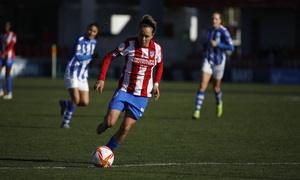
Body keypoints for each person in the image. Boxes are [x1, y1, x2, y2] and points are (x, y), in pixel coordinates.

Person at [93, 14, 163, 151]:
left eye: (146, 36)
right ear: (138, 32)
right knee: (110, 122)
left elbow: (160, 65)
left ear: (152, 35)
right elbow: (108, 57)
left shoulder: (157, 49)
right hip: (124, 90)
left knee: (124, 128)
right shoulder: (128, 44)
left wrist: (156, 84)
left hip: (142, 96)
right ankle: (105, 124)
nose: (143, 39)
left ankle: (106, 152)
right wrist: (101, 78)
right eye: (141, 35)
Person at [193, 12, 234, 119]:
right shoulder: (209, 29)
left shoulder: (224, 31)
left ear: (220, 20)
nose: (214, 21)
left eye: (216, 19)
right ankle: (197, 111)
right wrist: (204, 46)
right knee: (202, 85)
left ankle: (219, 103)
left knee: (216, 88)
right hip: (208, 60)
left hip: (219, 62)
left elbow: (231, 47)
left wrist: (218, 44)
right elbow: (208, 43)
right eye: (212, 19)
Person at [59, 22, 100, 128]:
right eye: (90, 30)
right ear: (86, 29)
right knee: (76, 100)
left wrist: (90, 63)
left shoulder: (94, 42)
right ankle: (65, 123)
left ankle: (65, 104)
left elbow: (87, 59)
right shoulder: (80, 40)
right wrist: (91, 57)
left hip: (82, 75)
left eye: (94, 31)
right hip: (72, 72)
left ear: (96, 33)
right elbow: (78, 57)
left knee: (84, 102)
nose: (91, 32)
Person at [0, 21, 17, 100]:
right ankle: (1, 90)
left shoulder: (12, 35)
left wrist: (5, 53)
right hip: (2, 57)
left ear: (10, 26)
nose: (6, 27)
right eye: (5, 25)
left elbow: (11, 46)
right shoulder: (2, 35)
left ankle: (9, 93)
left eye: (7, 25)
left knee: (7, 74)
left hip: (9, 57)